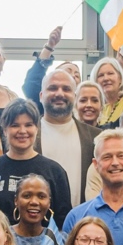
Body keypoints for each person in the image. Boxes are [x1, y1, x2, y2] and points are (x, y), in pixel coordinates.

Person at [0, 98, 73, 228]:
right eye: (15, 125)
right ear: (4, 130)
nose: (22, 131)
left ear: (37, 128)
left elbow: (63, 221)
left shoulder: (54, 171)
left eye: (28, 125)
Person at [35, 67, 99, 209]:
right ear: (40, 95)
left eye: (66, 89)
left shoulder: (95, 137)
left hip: (83, 222)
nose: (59, 93)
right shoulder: (27, 136)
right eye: (52, 88)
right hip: (37, 224)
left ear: (75, 97)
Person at [10, 175, 65, 245]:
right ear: (16, 200)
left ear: (49, 202)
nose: (34, 202)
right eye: (27, 196)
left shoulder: (59, 239)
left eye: (41, 196)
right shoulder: (2, 237)